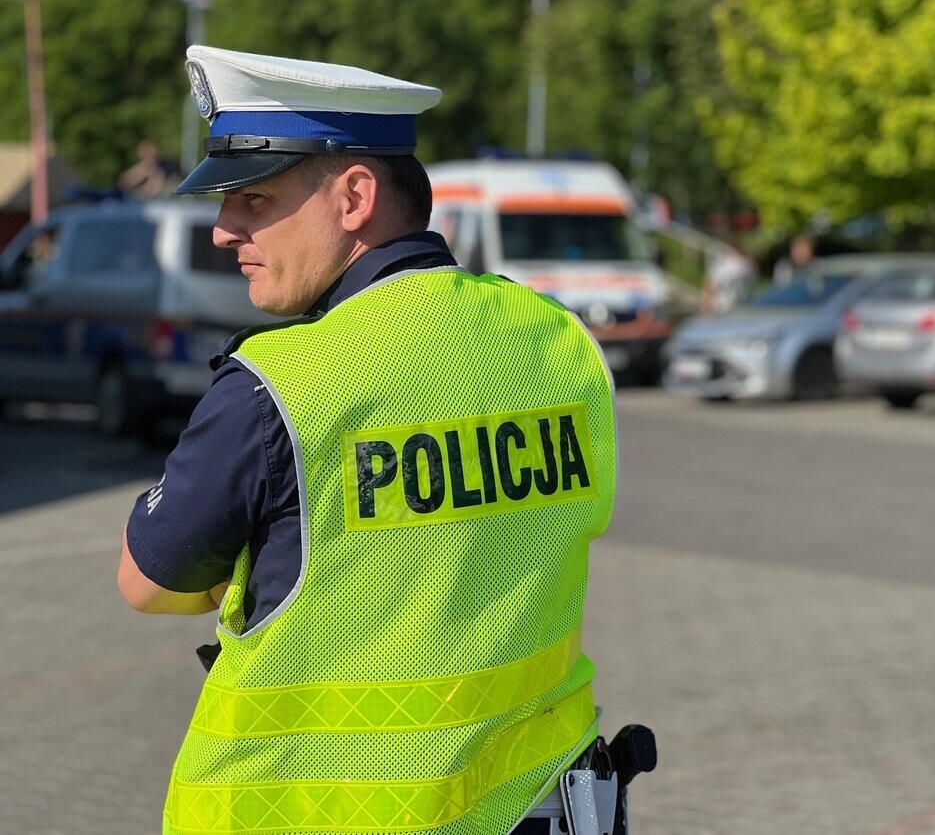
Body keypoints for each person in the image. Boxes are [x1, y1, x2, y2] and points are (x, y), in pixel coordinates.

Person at [117, 46, 620, 835]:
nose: (221, 230)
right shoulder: (557, 341)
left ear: (354, 197)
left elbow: (147, 583)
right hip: (534, 805)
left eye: (251, 199)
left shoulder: (279, 383)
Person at [702, 235, 757, 313]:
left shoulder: (742, 263)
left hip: (739, 302)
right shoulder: (722, 264)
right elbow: (711, 284)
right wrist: (707, 303)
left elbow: (711, 284)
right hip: (725, 304)